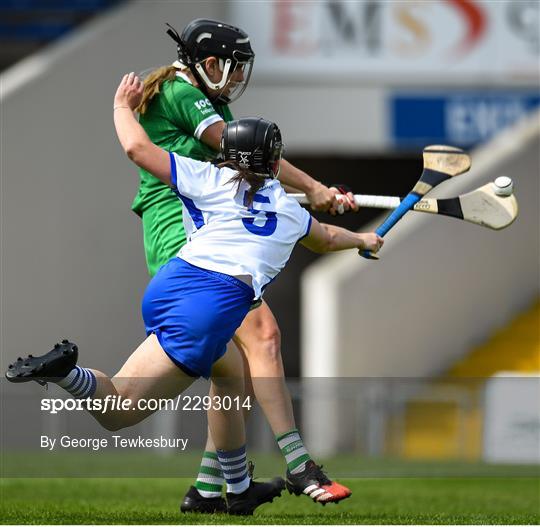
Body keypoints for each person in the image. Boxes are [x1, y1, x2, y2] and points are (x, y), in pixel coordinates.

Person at [5, 74, 382, 515]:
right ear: (274, 162)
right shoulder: (288, 212)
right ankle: (70, 374)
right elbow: (328, 238)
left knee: (231, 372)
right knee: (120, 412)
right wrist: (364, 240)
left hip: (171, 284)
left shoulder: (206, 177)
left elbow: (137, 149)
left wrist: (121, 107)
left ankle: (232, 490)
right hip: (209, 307)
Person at [133, 18, 359, 511]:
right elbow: (246, 153)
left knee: (229, 369)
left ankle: (213, 489)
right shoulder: (181, 92)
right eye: (233, 67)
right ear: (209, 62)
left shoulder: (207, 96)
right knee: (264, 336)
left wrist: (312, 199)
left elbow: (251, 176)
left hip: (207, 224)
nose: (238, 77)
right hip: (183, 226)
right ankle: (299, 464)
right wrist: (315, 188)